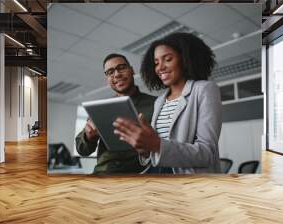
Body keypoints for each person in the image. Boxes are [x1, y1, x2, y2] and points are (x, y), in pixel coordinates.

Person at [113, 33, 222, 174]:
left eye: (168, 59)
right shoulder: (159, 101)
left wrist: (157, 145)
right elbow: (156, 151)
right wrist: (145, 150)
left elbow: (207, 154)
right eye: (156, 63)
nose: (160, 67)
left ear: (185, 59)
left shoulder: (204, 89)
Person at [75, 53, 156, 174]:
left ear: (132, 70)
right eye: (110, 72)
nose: (117, 74)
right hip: (102, 174)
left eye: (121, 67)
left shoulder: (155, 104)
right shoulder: (100, 109)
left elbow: (164, 146)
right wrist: (88, 136)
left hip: (138, 175)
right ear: (107, 78)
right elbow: (82, 150)